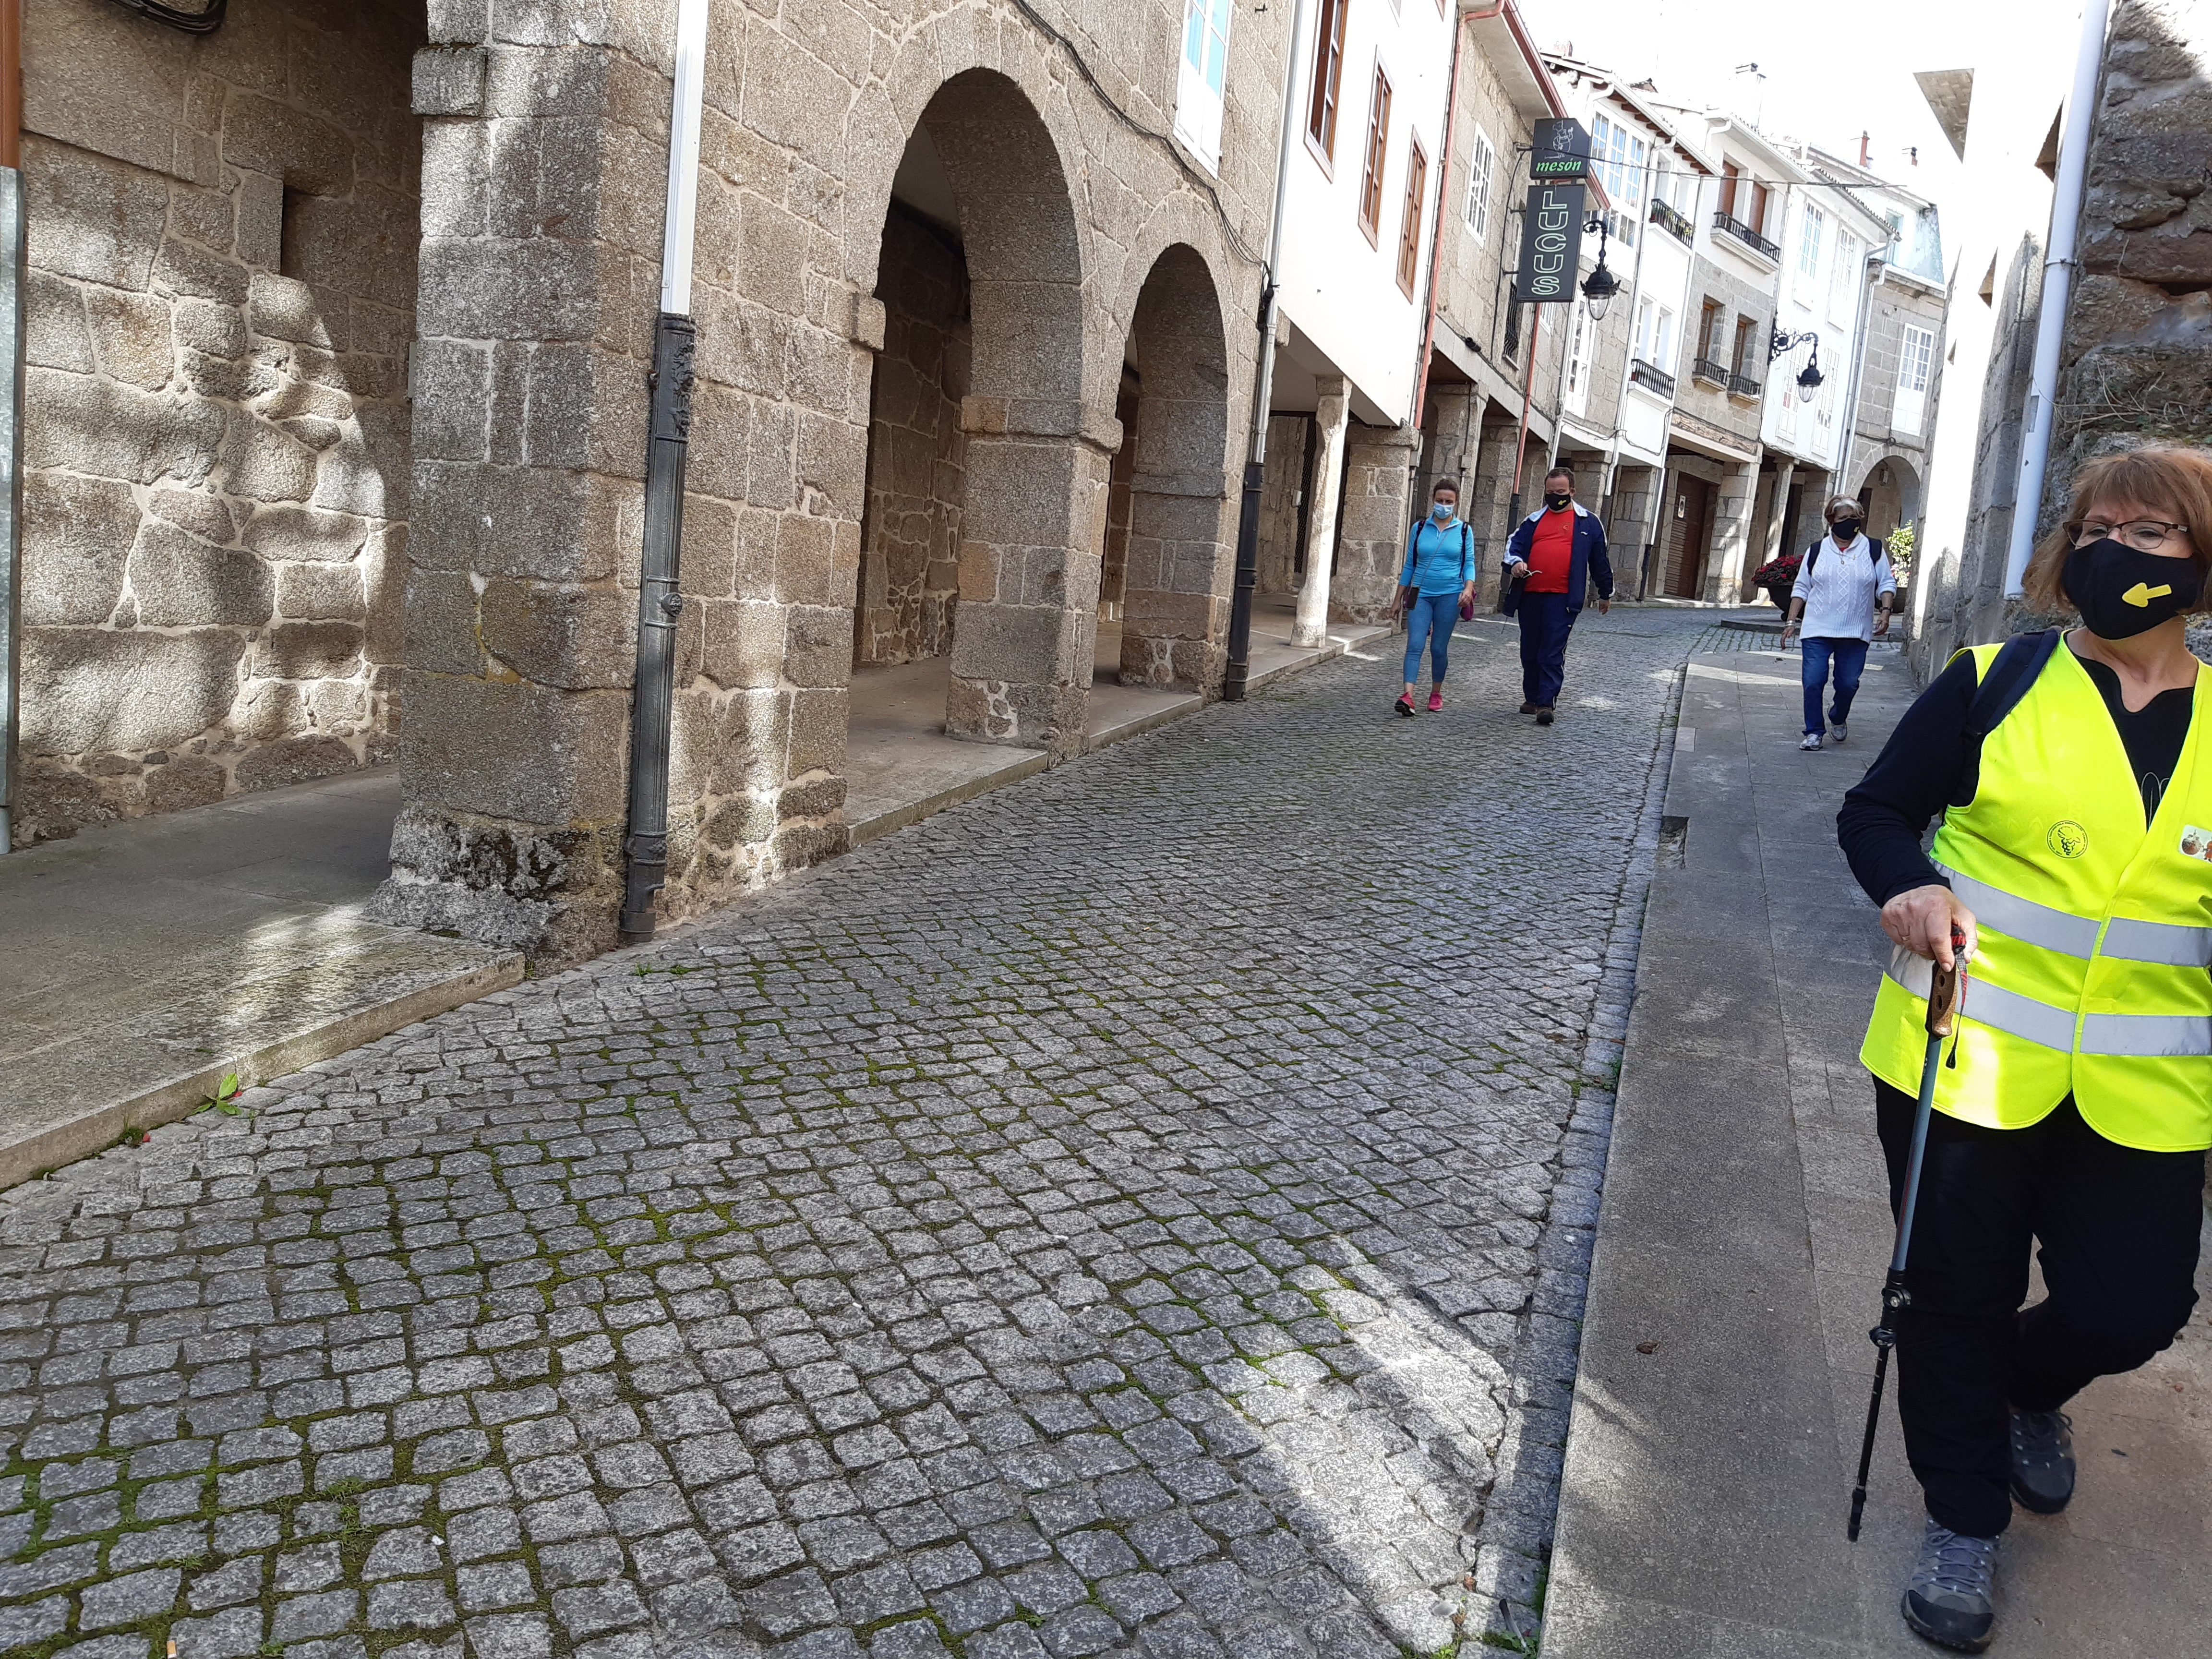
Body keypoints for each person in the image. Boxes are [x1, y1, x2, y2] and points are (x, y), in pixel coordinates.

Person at [1836, 444, 2212, 1653]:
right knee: (1951, 1294)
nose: (2115, 549)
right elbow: (1875, 809)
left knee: (2130, 1308)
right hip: (1963, 1055)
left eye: (2150, 531)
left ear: (2201, 554)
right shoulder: (1991, 681)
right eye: (2096, 526)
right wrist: (1908, 887)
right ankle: (1962, 1514)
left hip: (2148, 1091)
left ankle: (2029, 1387)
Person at [1781, 495, 1897, 750]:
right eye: (1844, 519)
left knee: (1848, 684)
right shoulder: (1817, 551)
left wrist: (1886, 611)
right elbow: (1802, 588)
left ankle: (1838, 716)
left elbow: (1887, 583)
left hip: (1855, 631)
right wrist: (1791, 621)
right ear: (1831, 520)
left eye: (1855, 519)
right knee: (1813, 681)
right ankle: (1814, 731)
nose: (1850, 523)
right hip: (1817, 628)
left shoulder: (1873, 549)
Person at [1503, 465, 1612, 725]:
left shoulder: (1588, 523)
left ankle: (1546, 703)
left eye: (1561, 492)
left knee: (1551, 651)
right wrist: (1517, 563)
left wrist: (1605, 592)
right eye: (1551, 492)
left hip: (1563, 598)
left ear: (1572, 491)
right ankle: (1531, 698)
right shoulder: (1533, 521)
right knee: (1530, 651)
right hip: (1530, 596)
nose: (1555, 497)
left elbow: (1600, 561)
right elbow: (1512, 547)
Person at [1390, 480, 1476, 716]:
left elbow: (1469, 564)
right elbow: (1409, 565)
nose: (1444, 505)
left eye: (1449, 502)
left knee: (1438, 648)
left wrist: (1468, 588)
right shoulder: (1419, 528)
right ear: (1433, 500)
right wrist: (1398, 599)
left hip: (1450, 595)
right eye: (1440, 501)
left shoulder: (1464, 530)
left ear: (1456, 503)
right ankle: (1408, 696)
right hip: (1420, 594)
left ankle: (1436, 692)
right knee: (1415, 645)